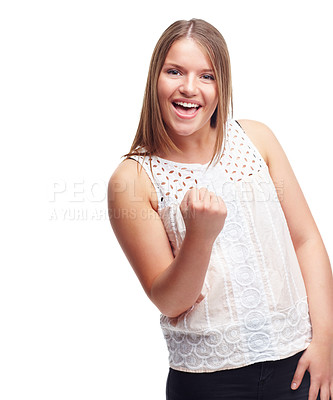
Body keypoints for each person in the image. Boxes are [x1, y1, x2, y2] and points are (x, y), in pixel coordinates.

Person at [107, 18, 333, 400]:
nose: (189, 88)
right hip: (208, 382)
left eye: (206, 76)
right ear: (155, 79)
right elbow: (171, 301)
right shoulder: (132, 180)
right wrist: (199, 236)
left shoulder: (256, 139)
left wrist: (325, 339)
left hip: (299, 364)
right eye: (174, 71)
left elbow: (305, 239)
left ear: (221, 85)